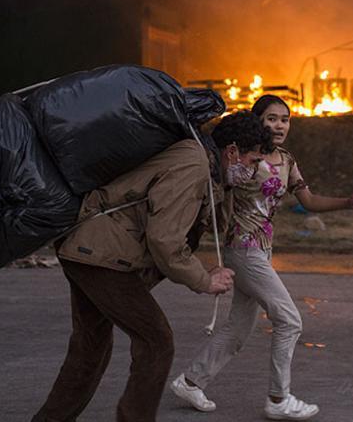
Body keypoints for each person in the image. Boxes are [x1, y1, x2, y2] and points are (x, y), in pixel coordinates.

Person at [32, 111, 272, 422]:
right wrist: (202, 279)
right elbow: (164, 239)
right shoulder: (193, 163)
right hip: (104, 257)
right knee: (156, 342)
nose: (254, 171)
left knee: (89, 348)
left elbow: (206, 225)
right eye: (253, 162)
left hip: (90, 250)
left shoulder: (205, 166)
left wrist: (227, 186)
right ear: (232, 152)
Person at [171, 95, 353, 420]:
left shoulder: (287, 160)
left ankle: (191, 381)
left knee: (239, 325)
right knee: (289, 320)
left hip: (262, 250)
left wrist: (347, 202)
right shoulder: (245, 160)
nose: (279, 125)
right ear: (257, 122)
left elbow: (308, 199)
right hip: (243, 248)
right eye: (271, 118)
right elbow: (217, 188)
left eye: (285, 119)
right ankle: (279, 398)